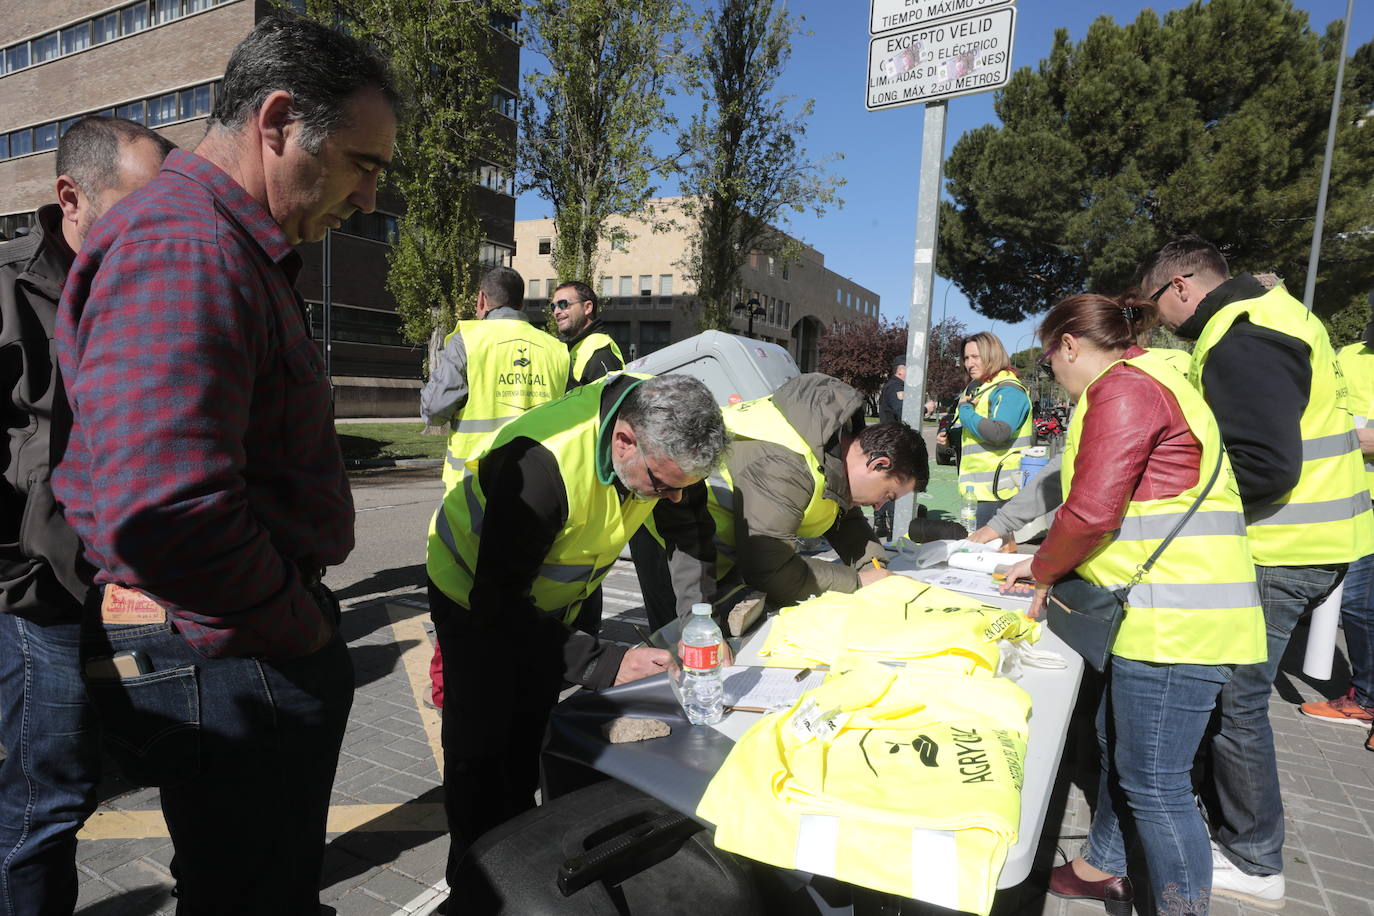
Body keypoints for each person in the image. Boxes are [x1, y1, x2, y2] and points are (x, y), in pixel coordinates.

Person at [53, 16, 398, 913]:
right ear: (278, 122)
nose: (367, 201)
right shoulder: (186, 247)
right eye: (365, 164)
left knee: (249, 880)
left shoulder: (217, 243)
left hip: (230, 639)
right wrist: (299, 627)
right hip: (231, 645)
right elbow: (165, 506)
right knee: (251, 891)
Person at [1001, 293, 1266, 916]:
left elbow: (1092, 511)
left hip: (1175, 618)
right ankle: (1102, 866)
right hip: (1167, 610)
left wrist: (1040, 571)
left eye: (1050, 360)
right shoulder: (1149, 378)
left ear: (1069, 345)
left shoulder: (1123, 392)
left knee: (1156, 781)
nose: (1054, 377)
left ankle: (1182, 908)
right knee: (1120, 742)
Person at [1138, 237, 1374, 908]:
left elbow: (1264, 464)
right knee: (1235, 695)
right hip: (1317, 539)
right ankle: (1238, 828)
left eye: (1157, 304)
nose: (1160, 320)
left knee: (1236, 700)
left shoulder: (1241, 336)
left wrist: (1175, 501)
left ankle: (1254, 855)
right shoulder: (1276, 314)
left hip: (1285, 546)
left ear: (1181, 285)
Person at [426, 372, 728, 882]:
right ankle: (474, 882)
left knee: (527, 733)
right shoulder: (544, 462)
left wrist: (702, 626)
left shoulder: (665, 449)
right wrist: (608, 662)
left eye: (684, 486)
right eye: (659, 484)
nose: (671, 498)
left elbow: (690, 535)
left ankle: (519, 856)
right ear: (624, 439)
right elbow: (496, 605)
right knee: (481, 754)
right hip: (473, 599)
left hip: (558, 597)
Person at [0, 115, 172, 916]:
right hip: (40, 600)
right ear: (71, 197)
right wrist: (22, 570)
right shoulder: (7, 288)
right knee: (46, 805)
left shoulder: (145, 288)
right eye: (140, 210)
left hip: (132, 596)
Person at [644, 373, 927, 629]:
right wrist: (857, 582)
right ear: (877, 464)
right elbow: (771, 570)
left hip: (732, 546)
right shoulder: (785, 463)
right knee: (683, 644)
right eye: (887, 496)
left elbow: (843, 517)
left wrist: (874, 567)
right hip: (674, 536)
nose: (879, 507)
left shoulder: (832, 447)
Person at [1297, 302, 1374, 749]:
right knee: (1359, 607)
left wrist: (1362, 439)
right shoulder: (1348, 356)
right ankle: (1365, 697)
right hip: (1353, 500)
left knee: (1362, 606)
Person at [422, 266, 570, 491]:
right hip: (539, 483)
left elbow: (434, 410)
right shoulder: (556, 349)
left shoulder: (468, 341)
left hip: (473, 485)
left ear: (482, 299)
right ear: (520, 302)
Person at [936, 332, 1032, 527]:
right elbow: (979, 434)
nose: (969, 363)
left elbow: (998, 433)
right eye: (966, 358)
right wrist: (952, 437)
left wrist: (964, 410)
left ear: (992, 355)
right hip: (981, 493)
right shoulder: (982, 388)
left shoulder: (1009, 390)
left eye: (975, 357)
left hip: (1001, 493)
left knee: (990, 552)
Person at [552, 279, 623, 388]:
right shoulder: (571, 346)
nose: (556, 312)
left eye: (563, 304)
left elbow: (609, 401)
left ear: (587, 307)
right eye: (553, 307)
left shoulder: (600, 350)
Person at [874, 356, 907, 539]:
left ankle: (880, 523)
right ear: (900, 370)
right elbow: (903, 411)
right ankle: (894, 525)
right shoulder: (896, 387)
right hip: (892, 442)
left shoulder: (889, 385)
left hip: (886, 441)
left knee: (885, 484)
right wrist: (925, 409)